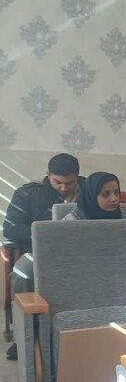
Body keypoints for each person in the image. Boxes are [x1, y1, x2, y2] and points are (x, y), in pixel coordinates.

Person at [4, 153, 83, 360]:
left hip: (80, 251)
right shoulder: (28, 193)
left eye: (69, 183)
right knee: (22, 274)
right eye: (57, 182)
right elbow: (10, 229)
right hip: (38, 251)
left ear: (77, 176)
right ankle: (24, 338)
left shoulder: (89, 189)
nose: (63, 188)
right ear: (48, 175)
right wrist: (43, 233)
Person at [62, 172, 126, 255]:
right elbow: (62, 251)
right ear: (92, 196)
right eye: (106, 194)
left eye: (116, 193)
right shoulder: (73, 221)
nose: (114, 199)